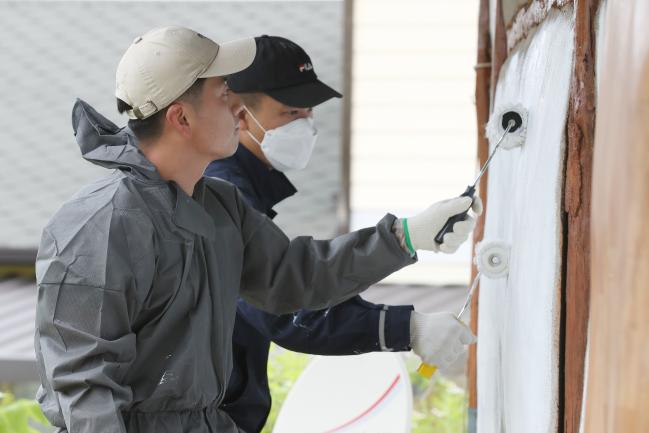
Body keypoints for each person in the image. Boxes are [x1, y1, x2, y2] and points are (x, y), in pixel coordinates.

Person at [34, 26, 480, 433]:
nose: (238, 107)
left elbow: (295, 277)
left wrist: (404, 236)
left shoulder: (220, 207)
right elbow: (84, 387)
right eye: (223, 93)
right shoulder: (100, 224)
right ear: (180, 119)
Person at [203, 35, 479, 433]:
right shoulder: (223, 193)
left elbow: (299, 280)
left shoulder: (236, 188)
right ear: (240, 115)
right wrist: (407, 326)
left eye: (309, 113)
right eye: (290, 112)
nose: (306, 126)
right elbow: (286, 304)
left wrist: (409, 236)